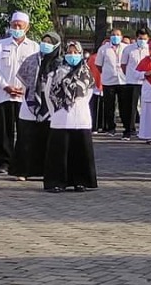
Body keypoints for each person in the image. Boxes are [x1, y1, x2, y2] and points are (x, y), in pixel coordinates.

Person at [0, 11, 39, 174]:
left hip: (25, 97)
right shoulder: (0, 45)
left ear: (27, 27)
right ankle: (3, 162)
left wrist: (24, 89)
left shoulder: (34, 47)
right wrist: (6, 86)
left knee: (25, 131)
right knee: (3, 131)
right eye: (14, 25)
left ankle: (23, 163)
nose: (16, 28)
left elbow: (36, 70)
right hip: (4, 95)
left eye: (20, 26)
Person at [43, 40, 97, 192]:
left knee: (80, 150)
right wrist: (55, 111)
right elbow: (48, 94)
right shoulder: (55, 73)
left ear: (81, 54)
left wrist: (76, 105)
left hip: (81, 116)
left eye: (75, 52)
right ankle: (56, 182)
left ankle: (81, 181)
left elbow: (89, 94)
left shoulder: (86, 73)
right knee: (59, 151)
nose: (72, 55)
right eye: (69, 52)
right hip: (60, 116)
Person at [12, 31, 60, 180]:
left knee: (47, 139)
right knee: (26, 138)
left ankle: (46, 171)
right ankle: (23, 171)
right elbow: (23, 79)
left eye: (50, 42)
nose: (45, 44)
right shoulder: (31, 60)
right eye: (44, 41)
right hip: (30, 103)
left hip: (51, 108)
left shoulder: (60, 64)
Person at [95, 27, 132, 136]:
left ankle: (127, 128)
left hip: (123, 80)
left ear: (121, 36)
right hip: (108, 81)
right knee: (109, 106)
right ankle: (111, 127)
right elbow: (99, 65)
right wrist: (107, 72)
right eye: (113, 34)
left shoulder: (126, 48)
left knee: (124, 106)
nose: (115, 37)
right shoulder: (103, 49)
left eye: (118, 34)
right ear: (110, 37)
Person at [123, 26, 151, 137]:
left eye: (144, 38)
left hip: (147, 81)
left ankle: (146, 130)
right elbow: (123, 65)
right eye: (140, 38)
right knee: (130, 107)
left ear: (148, 38)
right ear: (136, 38)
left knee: (146, 106)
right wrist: (131, 75)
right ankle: (129, 130)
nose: (142, 41)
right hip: (132, 81)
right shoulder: (128, 49)